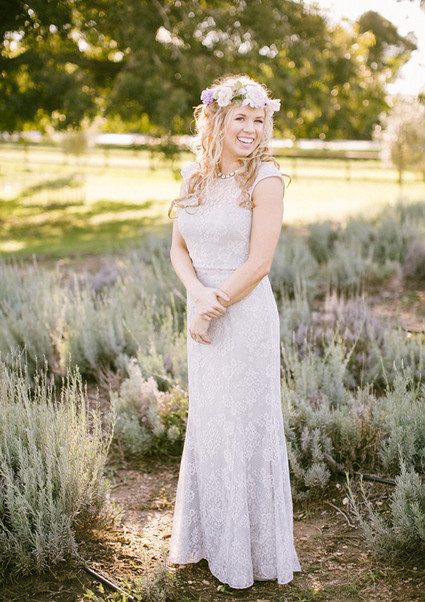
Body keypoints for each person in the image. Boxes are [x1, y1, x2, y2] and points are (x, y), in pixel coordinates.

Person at [168, 74, 301, 590]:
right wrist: (197, 298)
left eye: (258, 119)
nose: (250, 129)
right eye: (240, 118)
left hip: (244, 317)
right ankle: (212, 540)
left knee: (244, 423)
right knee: (211, 420)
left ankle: (251, 552)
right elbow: (178, 249)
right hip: (204, 307)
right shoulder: (193, 176)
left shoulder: (265, 179)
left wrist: (212, 306)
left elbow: (260, 262)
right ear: (217, 120)